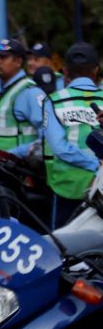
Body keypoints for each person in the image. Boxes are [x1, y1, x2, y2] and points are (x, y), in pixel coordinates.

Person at [42, 42, 103, 227]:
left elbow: (59, 148)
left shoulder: (53, 100)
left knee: (63, 248)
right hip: (101, 188)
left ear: (65, 72)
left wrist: (93, 165)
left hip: (66, 188)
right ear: (96, 70)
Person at [0, 38, 43, 155]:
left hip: (17, 168)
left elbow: (48, 138)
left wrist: (16, 154)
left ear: (18, 62)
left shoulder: (30, 93)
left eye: (3, 57)